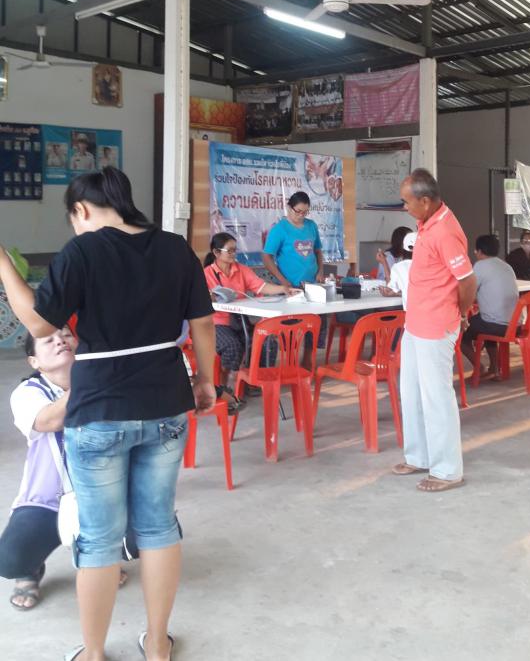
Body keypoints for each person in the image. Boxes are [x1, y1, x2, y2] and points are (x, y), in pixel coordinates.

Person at [0, 167, 216, 661]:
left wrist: (3, 264)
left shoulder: (82, 250)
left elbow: (39, 322)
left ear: (80, 210)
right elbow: (203, 322)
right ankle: (157, 644)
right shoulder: (174, 248)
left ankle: (94, 653)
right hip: (166, 402)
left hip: (98, 409)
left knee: (97, 538)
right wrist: (205, 380)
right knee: (159, 527)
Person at [0, 328, 131, 613]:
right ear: (34, 361)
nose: (60, 340)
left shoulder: (105, 381)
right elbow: (49, 421)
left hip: (101, 492)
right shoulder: (28, 392)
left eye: (66, 335)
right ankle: (30, 571)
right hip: (48, 499)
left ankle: (97, 559)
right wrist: (87, 380)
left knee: (143, 533)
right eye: (48, 340)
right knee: (10, 559)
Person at [392, 169, 476, 494]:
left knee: (436, 398)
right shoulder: (427, 222)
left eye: (407, 202)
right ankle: (419, 456)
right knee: (411, 392)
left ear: (425, 201)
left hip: (436, 325)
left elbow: (467, 281)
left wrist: (461, 313)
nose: (405, 207)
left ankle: (447, 470)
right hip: (415, 323)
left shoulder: (444, 231)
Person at [203, 233, 297, 384]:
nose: (234, 254)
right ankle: (225, 384)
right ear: (216, 252)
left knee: (268, 342)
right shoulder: (206, 274)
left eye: (235, 250)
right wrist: (211, 297)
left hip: (240, 322)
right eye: (230, 251)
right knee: (232, 345)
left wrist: (284, 289)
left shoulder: (241, 269)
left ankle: (256, 382)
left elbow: (261, 286)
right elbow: (199, 299)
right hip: (218, 323)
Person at [461, 234, 519, 379]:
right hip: (515, 324)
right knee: (484, 320)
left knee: (460, 334)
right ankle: (494, 368)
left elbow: (469, 292)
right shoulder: (506, 266)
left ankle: (479, 367)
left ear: (479, 251)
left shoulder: (480, 266)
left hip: (496, 325)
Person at [262, 191, 324, 287]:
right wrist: (282, 280)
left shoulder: (311, 225)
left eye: (305, 212)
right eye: (298, 211)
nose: (301, 215)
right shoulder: (279, 229)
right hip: (290, 286)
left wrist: (320, 271)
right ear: (289, 207)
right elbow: (266, 257)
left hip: (313, 283)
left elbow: (318, 251)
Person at [379, 231, 415, 308]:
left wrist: (384, 263)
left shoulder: (400, 266)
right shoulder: (428, 266)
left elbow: (390, 288)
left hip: (409, 312)